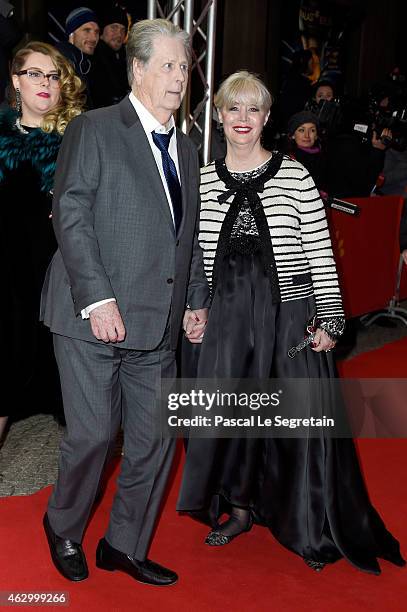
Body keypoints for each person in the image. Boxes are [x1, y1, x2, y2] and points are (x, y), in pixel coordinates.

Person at [177, 71, 405, 575]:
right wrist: (198, 309)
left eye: (252, 109)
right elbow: (195, 254)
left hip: (289, 315)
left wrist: (330, 318)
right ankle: (238, 509)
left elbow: (322, 254)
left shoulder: (296, 175)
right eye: (232, 109)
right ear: (218, 115)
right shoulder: (204, 178)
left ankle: (306, 521)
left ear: (266, 118)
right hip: (230, 319)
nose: (242, 119)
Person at [41, 18, 209, 587]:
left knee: (154, 439)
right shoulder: (94, 129)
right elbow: (72, 214)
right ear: (136, 69)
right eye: (167, 65)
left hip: (156, 322)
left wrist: (194, 299)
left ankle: (123, 543)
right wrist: (99, 298)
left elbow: (187, 235)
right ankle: (63, 525)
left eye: (184, 66)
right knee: (92, 435)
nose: (179, 77)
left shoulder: (186, 150)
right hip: (92, 315)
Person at [0, 42, 84, 434]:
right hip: (8, 276)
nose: (45, 83)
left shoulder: (79, 140)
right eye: (35, 74)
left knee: (72, 390)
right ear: (16, 81)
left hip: (63, 275)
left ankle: (79, 489)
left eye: (53, 75)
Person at [55, 6, 100, 107]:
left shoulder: (84, 62)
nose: (94, 38)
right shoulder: (62, 61)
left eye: (96, 32)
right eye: (87, 30)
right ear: (71, 34)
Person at [89, 4, 129, 108]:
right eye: (114, 28)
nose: (119, 34)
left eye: (123, 29)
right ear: (101, 32)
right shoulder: (92, 60)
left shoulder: (124, 58)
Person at [285, 110, 327, 191]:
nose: (307, 135)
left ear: (316, 136)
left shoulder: (325, 158)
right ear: (293, 135)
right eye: (301, 130)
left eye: (312, 130)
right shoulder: (287, 160)